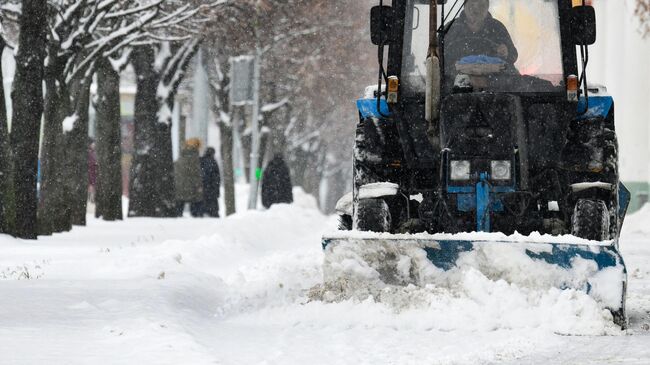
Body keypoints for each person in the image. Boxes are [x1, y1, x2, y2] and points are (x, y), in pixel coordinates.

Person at [444, 0, 518, 70]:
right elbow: (437, 57)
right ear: (464, 6)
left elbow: (513, 55)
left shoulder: (497, 27)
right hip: (456, 78)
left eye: (481, 5)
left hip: (493, 77)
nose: (476, 9)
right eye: (472, 4)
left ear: (487, 7)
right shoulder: (451, 28)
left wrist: (506, 51)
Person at [174, 138, 203, 217]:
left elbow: (176, 170)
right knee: (196, 204)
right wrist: (199, 186)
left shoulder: (181, 156)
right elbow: (197, 174)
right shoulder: (194, 158)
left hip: (179, 186)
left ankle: (178, 216)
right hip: (191, 187)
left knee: (179, 204)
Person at [200, 147, 221, 217]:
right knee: (213, 208)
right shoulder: (213, 162)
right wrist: (217, 191)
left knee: (202, 207)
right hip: (211, 189)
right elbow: (217, 178)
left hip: (202, 189)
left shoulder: (200, 161)